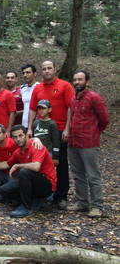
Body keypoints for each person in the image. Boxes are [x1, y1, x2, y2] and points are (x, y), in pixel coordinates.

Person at [0, 125, 56, 218]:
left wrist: (17, 165)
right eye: (15, 137)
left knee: (24, 171)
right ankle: (33, 200)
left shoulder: (36, 146)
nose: (18, 139)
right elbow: (7, 164)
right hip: (30, 182)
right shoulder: (18, 152)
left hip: (46, 184)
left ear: (26, 135)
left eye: (20, 136)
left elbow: (36, 166)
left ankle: (26, 207)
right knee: (4, 190)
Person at [28, 60, 74, 210]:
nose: (47, 71)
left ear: (55, 69)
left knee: (59, 163)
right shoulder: (38, 88)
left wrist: (67, 129)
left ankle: (60, 196)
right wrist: (29, 129)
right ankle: (43, 194)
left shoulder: (64, 86)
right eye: (44, 69)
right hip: (41, 131)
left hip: (59, 130)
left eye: (49, 68)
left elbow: (70, 108)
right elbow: (33, 109)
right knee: (40, 163)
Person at [66, 70, 110, 218]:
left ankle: (97, 205)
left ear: (87, 81)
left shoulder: (94, 98)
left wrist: (95, 132)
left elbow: (104, 119)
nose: (77, 82)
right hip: (73, 141)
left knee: (93, 175)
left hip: (88, 142)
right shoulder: (73, 98)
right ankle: (82, 202)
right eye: (75, 80)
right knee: (78, 174)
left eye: (80, 79)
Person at [32, 99, 60, 164]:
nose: (41, 111)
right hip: (36, 151)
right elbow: (33, 137)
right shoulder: (35, 123)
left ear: (49, 109)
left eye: (43, 108)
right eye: (39, 109)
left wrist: (55, 156)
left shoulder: (52, 124)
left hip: (48, 152)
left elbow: (56, 141)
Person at [20, 64, 39, 128]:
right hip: (24, 124)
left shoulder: (39, 87)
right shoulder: (22, 88)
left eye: (28, 72)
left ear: (35, 74)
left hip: (36, 124)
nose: (25, 75)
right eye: (23, 73)